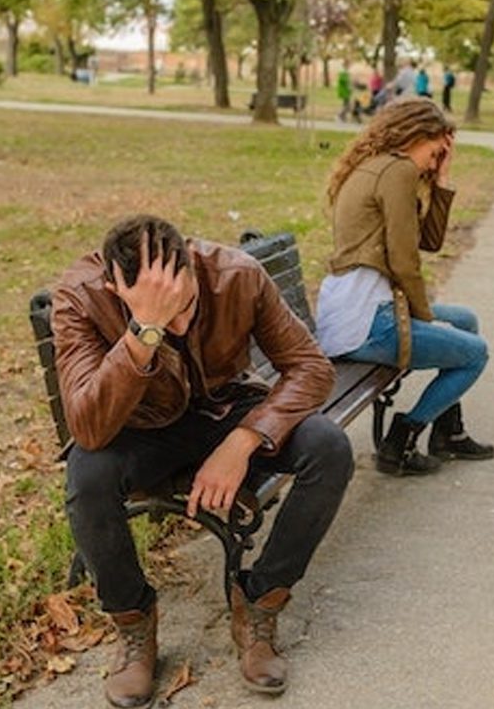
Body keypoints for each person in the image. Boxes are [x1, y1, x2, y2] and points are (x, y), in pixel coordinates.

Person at [53, 215, 352, 706]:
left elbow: (311, 368)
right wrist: (142, 332)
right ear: (114, 287)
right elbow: (88, 427)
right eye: (158, 316)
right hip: (139, 424)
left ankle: (259, 603)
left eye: (184, 304)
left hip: (225, 409)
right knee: (88, 475)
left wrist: (244, 440)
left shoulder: (235, 274)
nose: (179, 325)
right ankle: (133, 624)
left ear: (192, 264)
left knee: (329, 448)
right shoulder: (82, 295)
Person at [315, 98, 494, 476]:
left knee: (465, 320)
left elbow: (428, 242)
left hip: (359, 307)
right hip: (366, 321)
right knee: (476, 354)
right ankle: (404, 436)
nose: (436, 160)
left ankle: (448, 432)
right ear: (417, 135)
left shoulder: (380, 166)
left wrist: (442, 180)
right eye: (436, 151)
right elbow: (403, 261)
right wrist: (424, 317)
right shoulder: (396, 172)